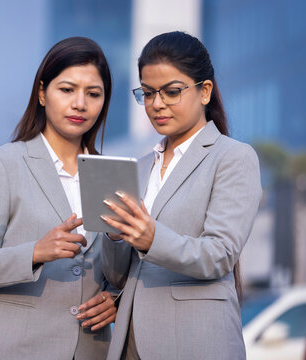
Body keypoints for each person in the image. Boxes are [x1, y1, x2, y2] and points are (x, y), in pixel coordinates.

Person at [100, 31, 262, 360]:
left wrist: (150, 238)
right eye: (147, 93)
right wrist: (116, 239)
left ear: (204, 91)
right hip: (131, 342)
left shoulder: (232, 157)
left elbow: (220, 254)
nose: (156, 104)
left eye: (171, 92)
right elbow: (119, 276)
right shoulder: (139, 168)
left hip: (196, 342)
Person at [0, 37, 117, 359]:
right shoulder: (2, 163)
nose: (80, 104)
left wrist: (116, 296)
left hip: (89, 349)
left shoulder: (111, 174)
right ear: (42, 93)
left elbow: (117, 269)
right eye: (67, 90)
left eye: (93, 94)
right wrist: (35, 252)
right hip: (14, 348)